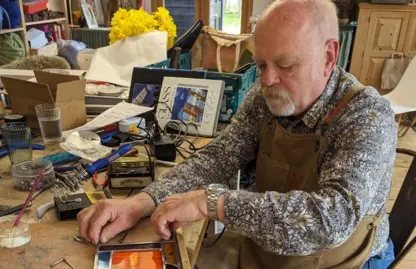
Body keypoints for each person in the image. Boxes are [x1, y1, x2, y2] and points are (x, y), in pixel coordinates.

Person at [78, 0, 397, 268]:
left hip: (346, 261)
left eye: (285, 65)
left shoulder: (367, 117)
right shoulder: (266, 94)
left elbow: (331, 220)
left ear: (328, 56)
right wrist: (142, 202)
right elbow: (219, 156)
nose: (268, 79)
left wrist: (213, 203)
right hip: (271, 248)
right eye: (261, 65)